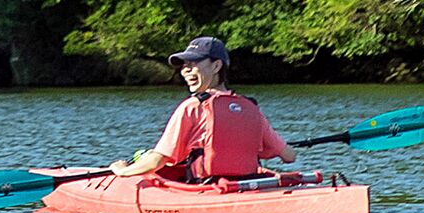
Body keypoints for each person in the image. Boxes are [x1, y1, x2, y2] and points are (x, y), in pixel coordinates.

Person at [115, 34, 295, 182]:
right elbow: (289, 156)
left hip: (207, 189)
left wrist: (122, 170)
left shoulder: (193, 106)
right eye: (184, 65)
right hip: (247, 185)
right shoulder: (250, 107)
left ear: (216, 66)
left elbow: (157, 161)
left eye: (193, 64)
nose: (185, 70)